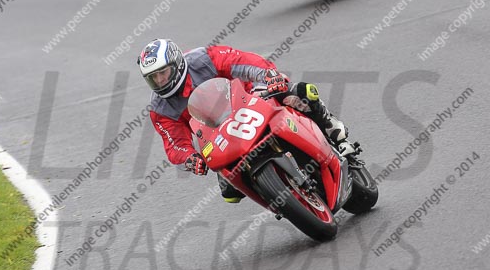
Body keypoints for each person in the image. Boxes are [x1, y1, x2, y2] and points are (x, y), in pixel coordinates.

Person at [139, 38, 356, 202]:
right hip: (217, 132)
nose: (160, 82)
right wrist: (189, 158)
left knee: (300, 93)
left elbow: (242, 62)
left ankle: (330, 127)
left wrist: (270, 76)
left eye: (163, 73)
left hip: (249, 97)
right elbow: (174, 143)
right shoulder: (160, 108)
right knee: (229, 193)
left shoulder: (203, 59)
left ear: (176, 64)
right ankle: (283, 201)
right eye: (153, 79)